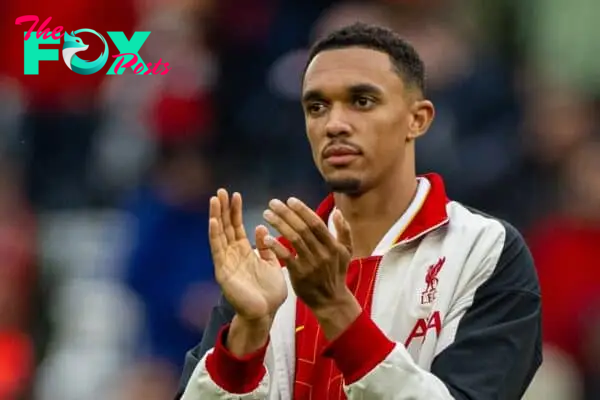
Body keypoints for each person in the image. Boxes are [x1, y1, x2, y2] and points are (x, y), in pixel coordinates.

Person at [176, 22, 542, 400]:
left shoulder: (484, 249)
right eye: (316, 107)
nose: (334, 124)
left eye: (362, 101)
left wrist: (335, 307)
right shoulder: (270, 267)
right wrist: (248, 334)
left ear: (418, 119)